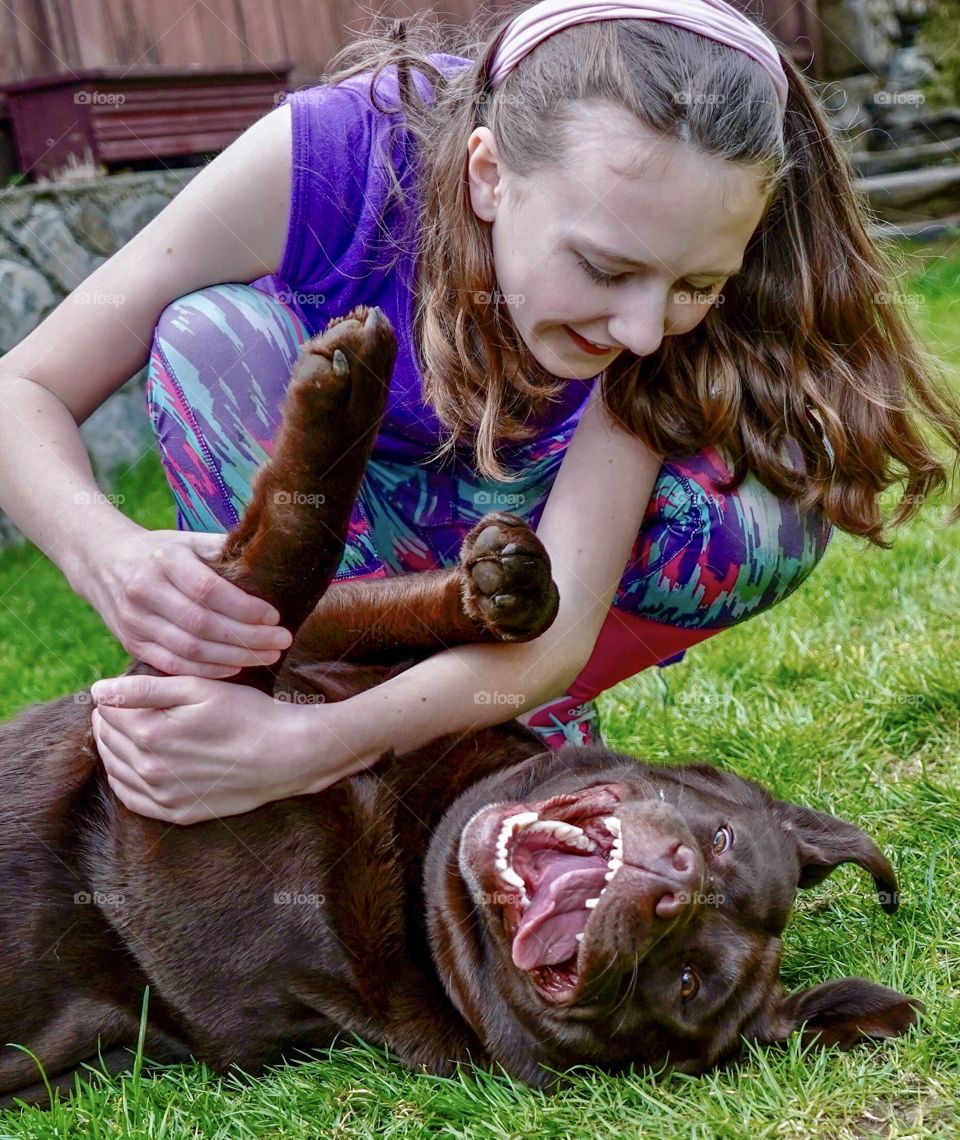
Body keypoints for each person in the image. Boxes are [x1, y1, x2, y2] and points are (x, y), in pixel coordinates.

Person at [0, 0, 957, 824]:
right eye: (604, 268)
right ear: (487, 174)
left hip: (522, 558)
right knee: (208, 340)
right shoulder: (329, 157)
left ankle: (481, 725)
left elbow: (562, 622)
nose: (640, 329)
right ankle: (304, 685)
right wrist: (108, 554)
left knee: (779, 503)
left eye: (696, 283)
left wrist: (313, 747)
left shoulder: (660, 275)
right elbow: (23, 387)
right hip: (349, 529)